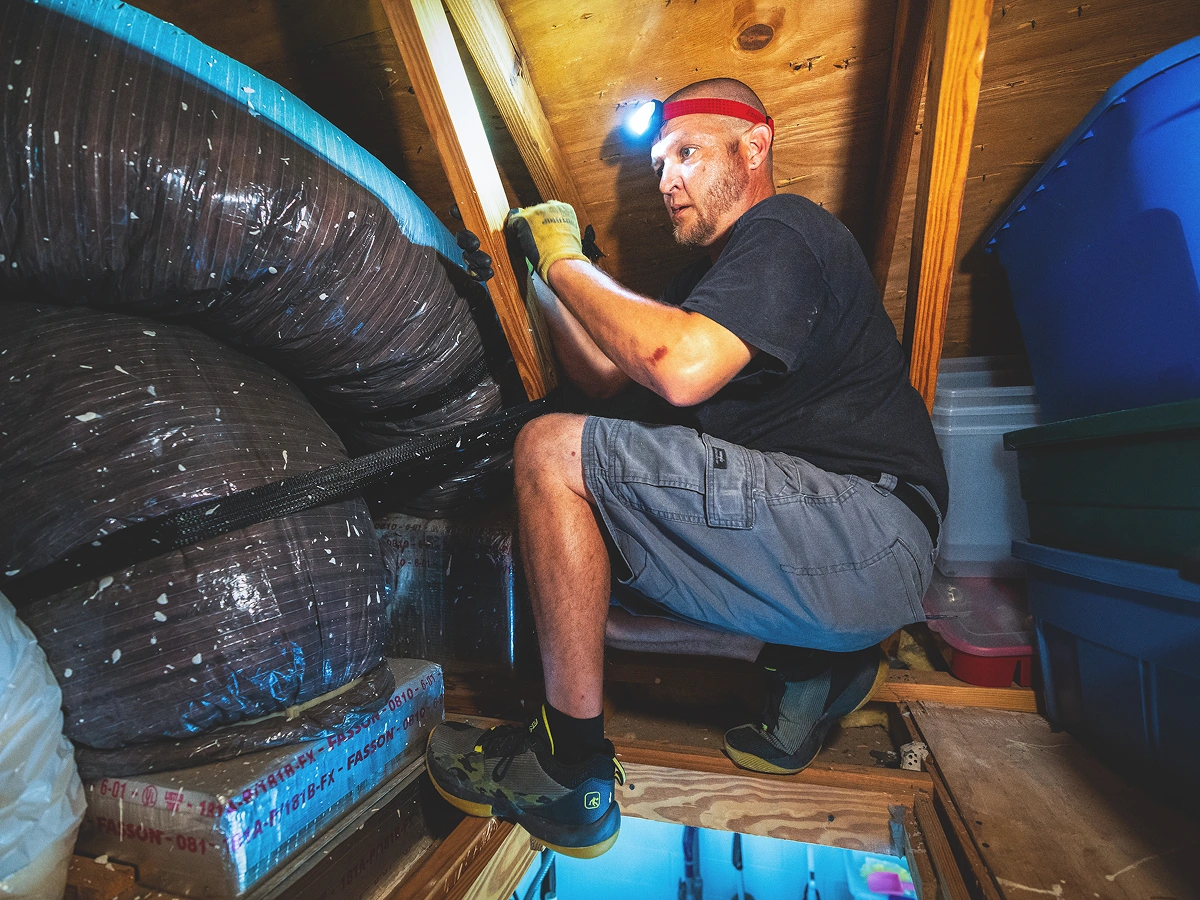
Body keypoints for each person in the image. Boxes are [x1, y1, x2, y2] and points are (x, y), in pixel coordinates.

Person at [425, 78, 948, 858]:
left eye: (687, 154)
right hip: (846, 567)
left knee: (548, 448)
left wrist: (569, 261)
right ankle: (813, 663)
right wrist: (537, 276)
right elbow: (606, 377)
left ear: (755, 146)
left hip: (866, 528)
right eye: (659, 164)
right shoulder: (703, 287)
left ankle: (570, 769)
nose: (666, 181)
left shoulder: (786, 229)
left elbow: (678, 365)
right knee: (583, 597)